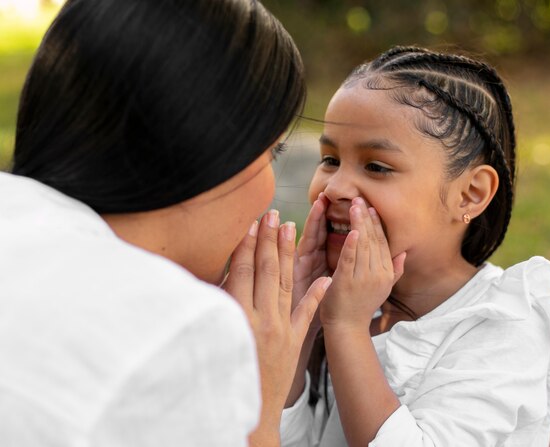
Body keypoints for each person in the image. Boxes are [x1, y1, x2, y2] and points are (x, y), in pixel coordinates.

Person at [0, 0, 331, 446]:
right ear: (206, 147)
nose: (269, 191)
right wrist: (262, 406)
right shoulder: (184, 331)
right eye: (272, 151)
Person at [279, 46, 550, 447]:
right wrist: (302, 327)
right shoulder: (359, 300)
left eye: (376, 166)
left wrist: (346, 327)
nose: (335, 187)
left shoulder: (503, 325)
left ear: (469, 194)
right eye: (329, 159)